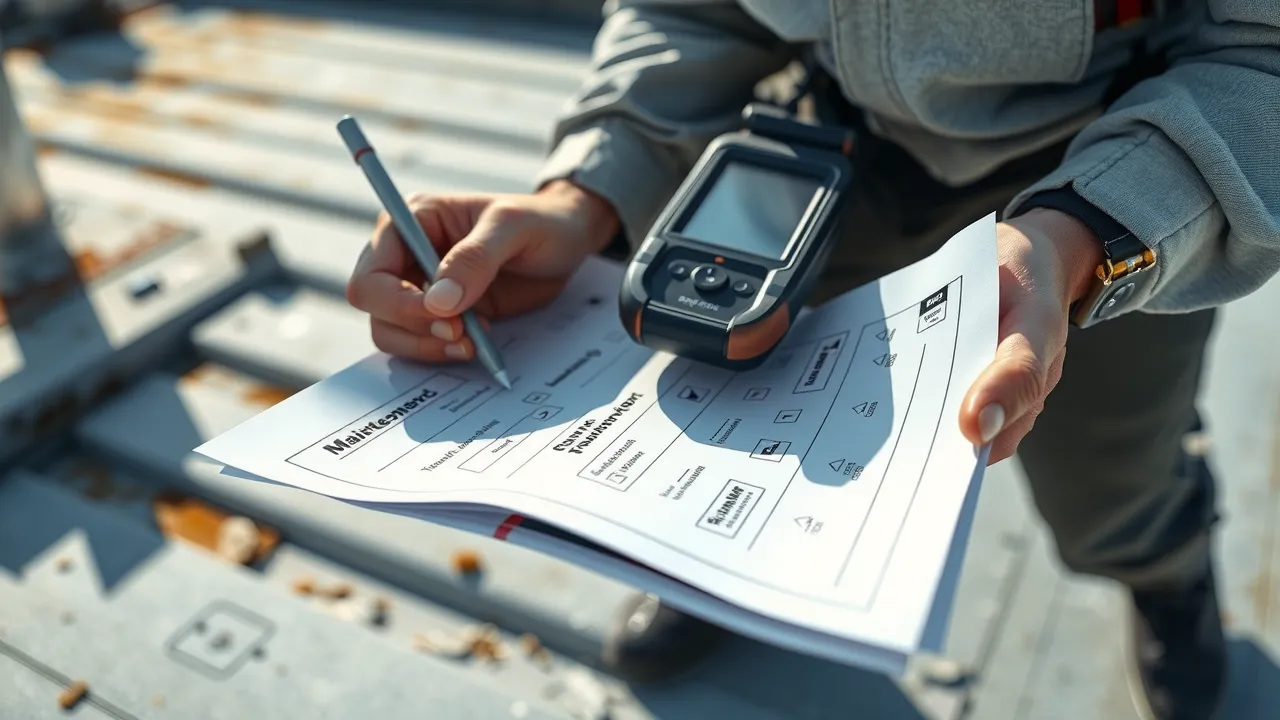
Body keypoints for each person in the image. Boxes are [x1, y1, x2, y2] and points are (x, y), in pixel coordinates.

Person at [345, 0, 1279, 716]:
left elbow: (1261, 51)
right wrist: (589, 187)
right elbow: (687, 11)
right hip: (826, 154)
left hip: (1126, 160)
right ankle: (718, 573)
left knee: (1113, 476)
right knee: (736, 409)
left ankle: (1160, 574)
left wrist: (1090, 230)